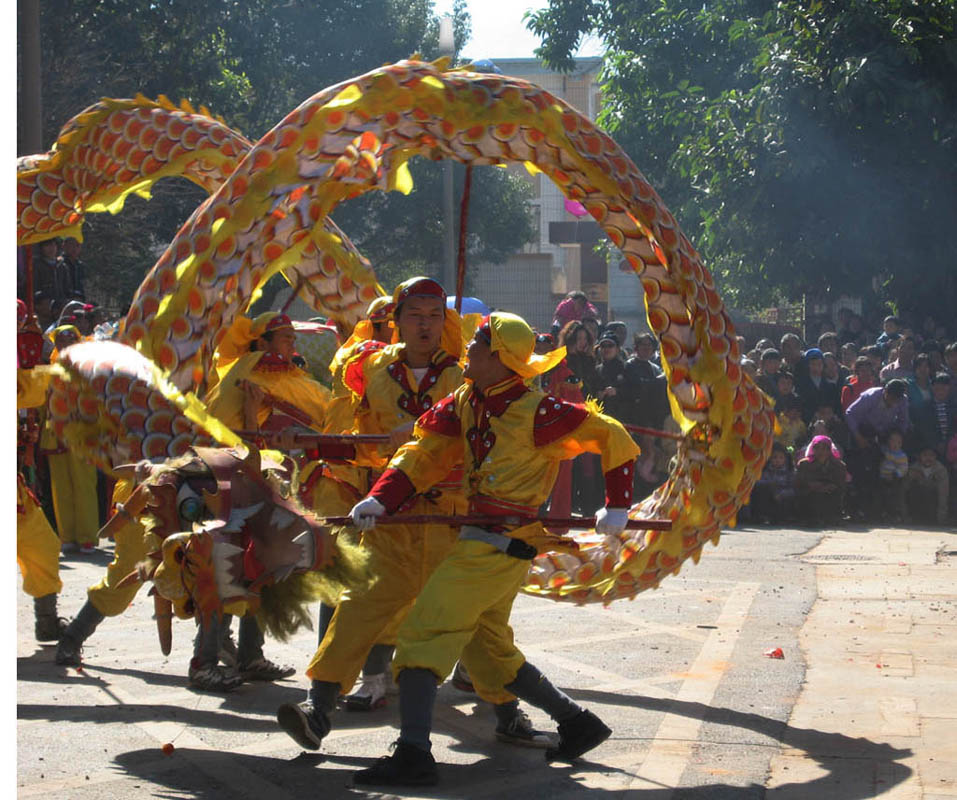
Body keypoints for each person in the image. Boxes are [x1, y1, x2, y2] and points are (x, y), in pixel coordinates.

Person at [347, 311, 639, 786]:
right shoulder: (466, 400)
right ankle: (577, 723)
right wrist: (382, 497)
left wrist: (618, 505)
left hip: (498, 546)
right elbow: (423, 453)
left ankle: (414, 755)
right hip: (482, 541)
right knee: (488, 652)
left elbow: (613, 436)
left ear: (502, 359)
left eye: (478, 347)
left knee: (423, 634)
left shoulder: (538, 411)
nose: (467, 351)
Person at [278, 279, 551, 754]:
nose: (425, 325)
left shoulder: (466, 377)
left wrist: (422, 435)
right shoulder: (374, 372)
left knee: (477, 629)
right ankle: (317, 709)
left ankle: (508, 714)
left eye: (433, 316)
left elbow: (489, 443)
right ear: (396, 320)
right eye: (415, 315)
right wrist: (316, 446)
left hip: (453, 525)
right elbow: (366, 449)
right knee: (356, 612)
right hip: (392, 523)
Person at [795, 435, 847, 527]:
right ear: (813, 449)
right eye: (817, 448)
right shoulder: (804, 464)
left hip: (829, 493)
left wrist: (830, 486)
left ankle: (832, 517)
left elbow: (841, 483)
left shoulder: (839, 465)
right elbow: (799, 482)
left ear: (829, 450)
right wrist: (812, 485)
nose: (821, 452)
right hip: (810, 494)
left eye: (824, 448)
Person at [750, 443, 796, 525]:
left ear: (785, 459)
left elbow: (793, 489)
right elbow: (757, 483)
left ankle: (782, 518)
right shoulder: (765, 471)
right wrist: (770, 485)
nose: (778, 460)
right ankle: (761, 516)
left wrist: (781, 494)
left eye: (781, 458)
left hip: (782, 498)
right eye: (775, 457)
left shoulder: (789, 473)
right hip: (768, 497)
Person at [904, 446, 949, 525]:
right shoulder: (912, 469)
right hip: (916, 505)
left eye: (931, 455)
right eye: (925, 455)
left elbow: (943, 495)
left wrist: (941, 519)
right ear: (920, 456)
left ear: (935, 457)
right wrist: (905, 517)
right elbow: (903, 492)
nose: (928, 458)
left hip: (933, 507)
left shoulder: (941, 470)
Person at [796, 348, 841, 424]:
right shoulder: (801, 384)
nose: (816, 367)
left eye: (819, 364)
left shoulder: (830, 384)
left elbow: (835, 404)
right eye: (813, 364)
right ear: (808, 365)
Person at [878, 429, 908, 523]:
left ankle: (895, 515)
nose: (895, 444)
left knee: (894, 497)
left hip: (894, 478)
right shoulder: (885, 451)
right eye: (892, 440)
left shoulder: (901, 456)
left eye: (898, 442)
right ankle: (882, 513)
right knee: (881, 496)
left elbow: (904, 468)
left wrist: (896, 474)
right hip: (882, 477)